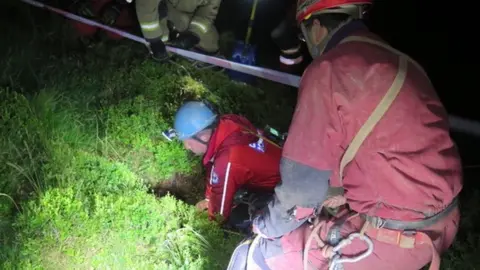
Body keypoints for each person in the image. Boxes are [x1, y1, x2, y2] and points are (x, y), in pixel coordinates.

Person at [228, 0, 463, 269]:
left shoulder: (328, 69)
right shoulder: (403, 63)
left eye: (303, 35)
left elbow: (299, 192)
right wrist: (338, 191)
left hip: (395, 238)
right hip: (441, 223)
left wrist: (266, 226)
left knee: (260, 254)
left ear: (315, 27)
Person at [173, 101, 282, 227]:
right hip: (279, 160)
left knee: (237, 218)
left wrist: (206, 223)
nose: (186, 147)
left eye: (188, 141)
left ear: (203, 136)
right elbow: (215, 166)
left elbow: (219, 215)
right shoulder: (227, 123)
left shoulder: (228, 159)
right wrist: (208, 198)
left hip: (281, 186)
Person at [135, 0, 222, 62]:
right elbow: (145, 4)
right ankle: (163, 49)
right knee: (169, 18)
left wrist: (194, 34)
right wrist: (154, 39)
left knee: (212, 44)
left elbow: (206, 15)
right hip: (162, 6)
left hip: (188, 14)